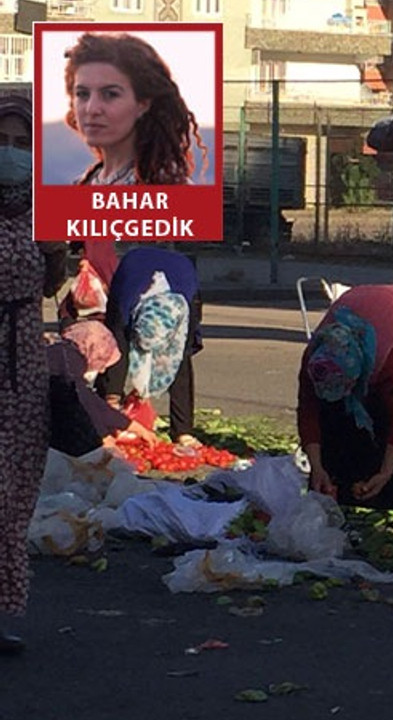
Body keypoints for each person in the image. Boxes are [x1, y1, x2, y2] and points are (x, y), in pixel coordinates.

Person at [0, 92, 67, 655]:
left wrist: (54, 252)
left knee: (15, 492)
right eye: (3, 142)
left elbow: (51, 286)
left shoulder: (41, 211)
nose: (12, 153)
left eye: (22, 144)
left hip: (21, 366)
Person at [297, 285, 393, 522]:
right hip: (366, 307)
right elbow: (309, 411)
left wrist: (386, 471)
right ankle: (338, 490)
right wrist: (317, 466)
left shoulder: (380, 360)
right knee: (335, 412)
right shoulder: (315, 360)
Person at [62, 32, 208, 186]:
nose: (92, 109)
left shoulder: (168, 187)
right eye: (82, 94)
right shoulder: (84, 183)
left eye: (110, 94)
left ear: (143, 104)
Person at [100, 247, 202, 445]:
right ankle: (109, 412)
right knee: (115, 349)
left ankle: (183, 430)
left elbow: (184, 354)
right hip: (134, 274)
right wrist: (111, 403)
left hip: (179, 278)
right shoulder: (125, 300)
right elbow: (114, 351)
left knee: (181, 362)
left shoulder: (187, 309)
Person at [48, 320, 158, 456]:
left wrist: (133, 427)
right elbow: (83, 403)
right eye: (102, 360)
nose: (101, 371)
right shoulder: (69, 362)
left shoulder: (64, 353)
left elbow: (94, 403)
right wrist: (102, 437)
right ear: (96, 350)